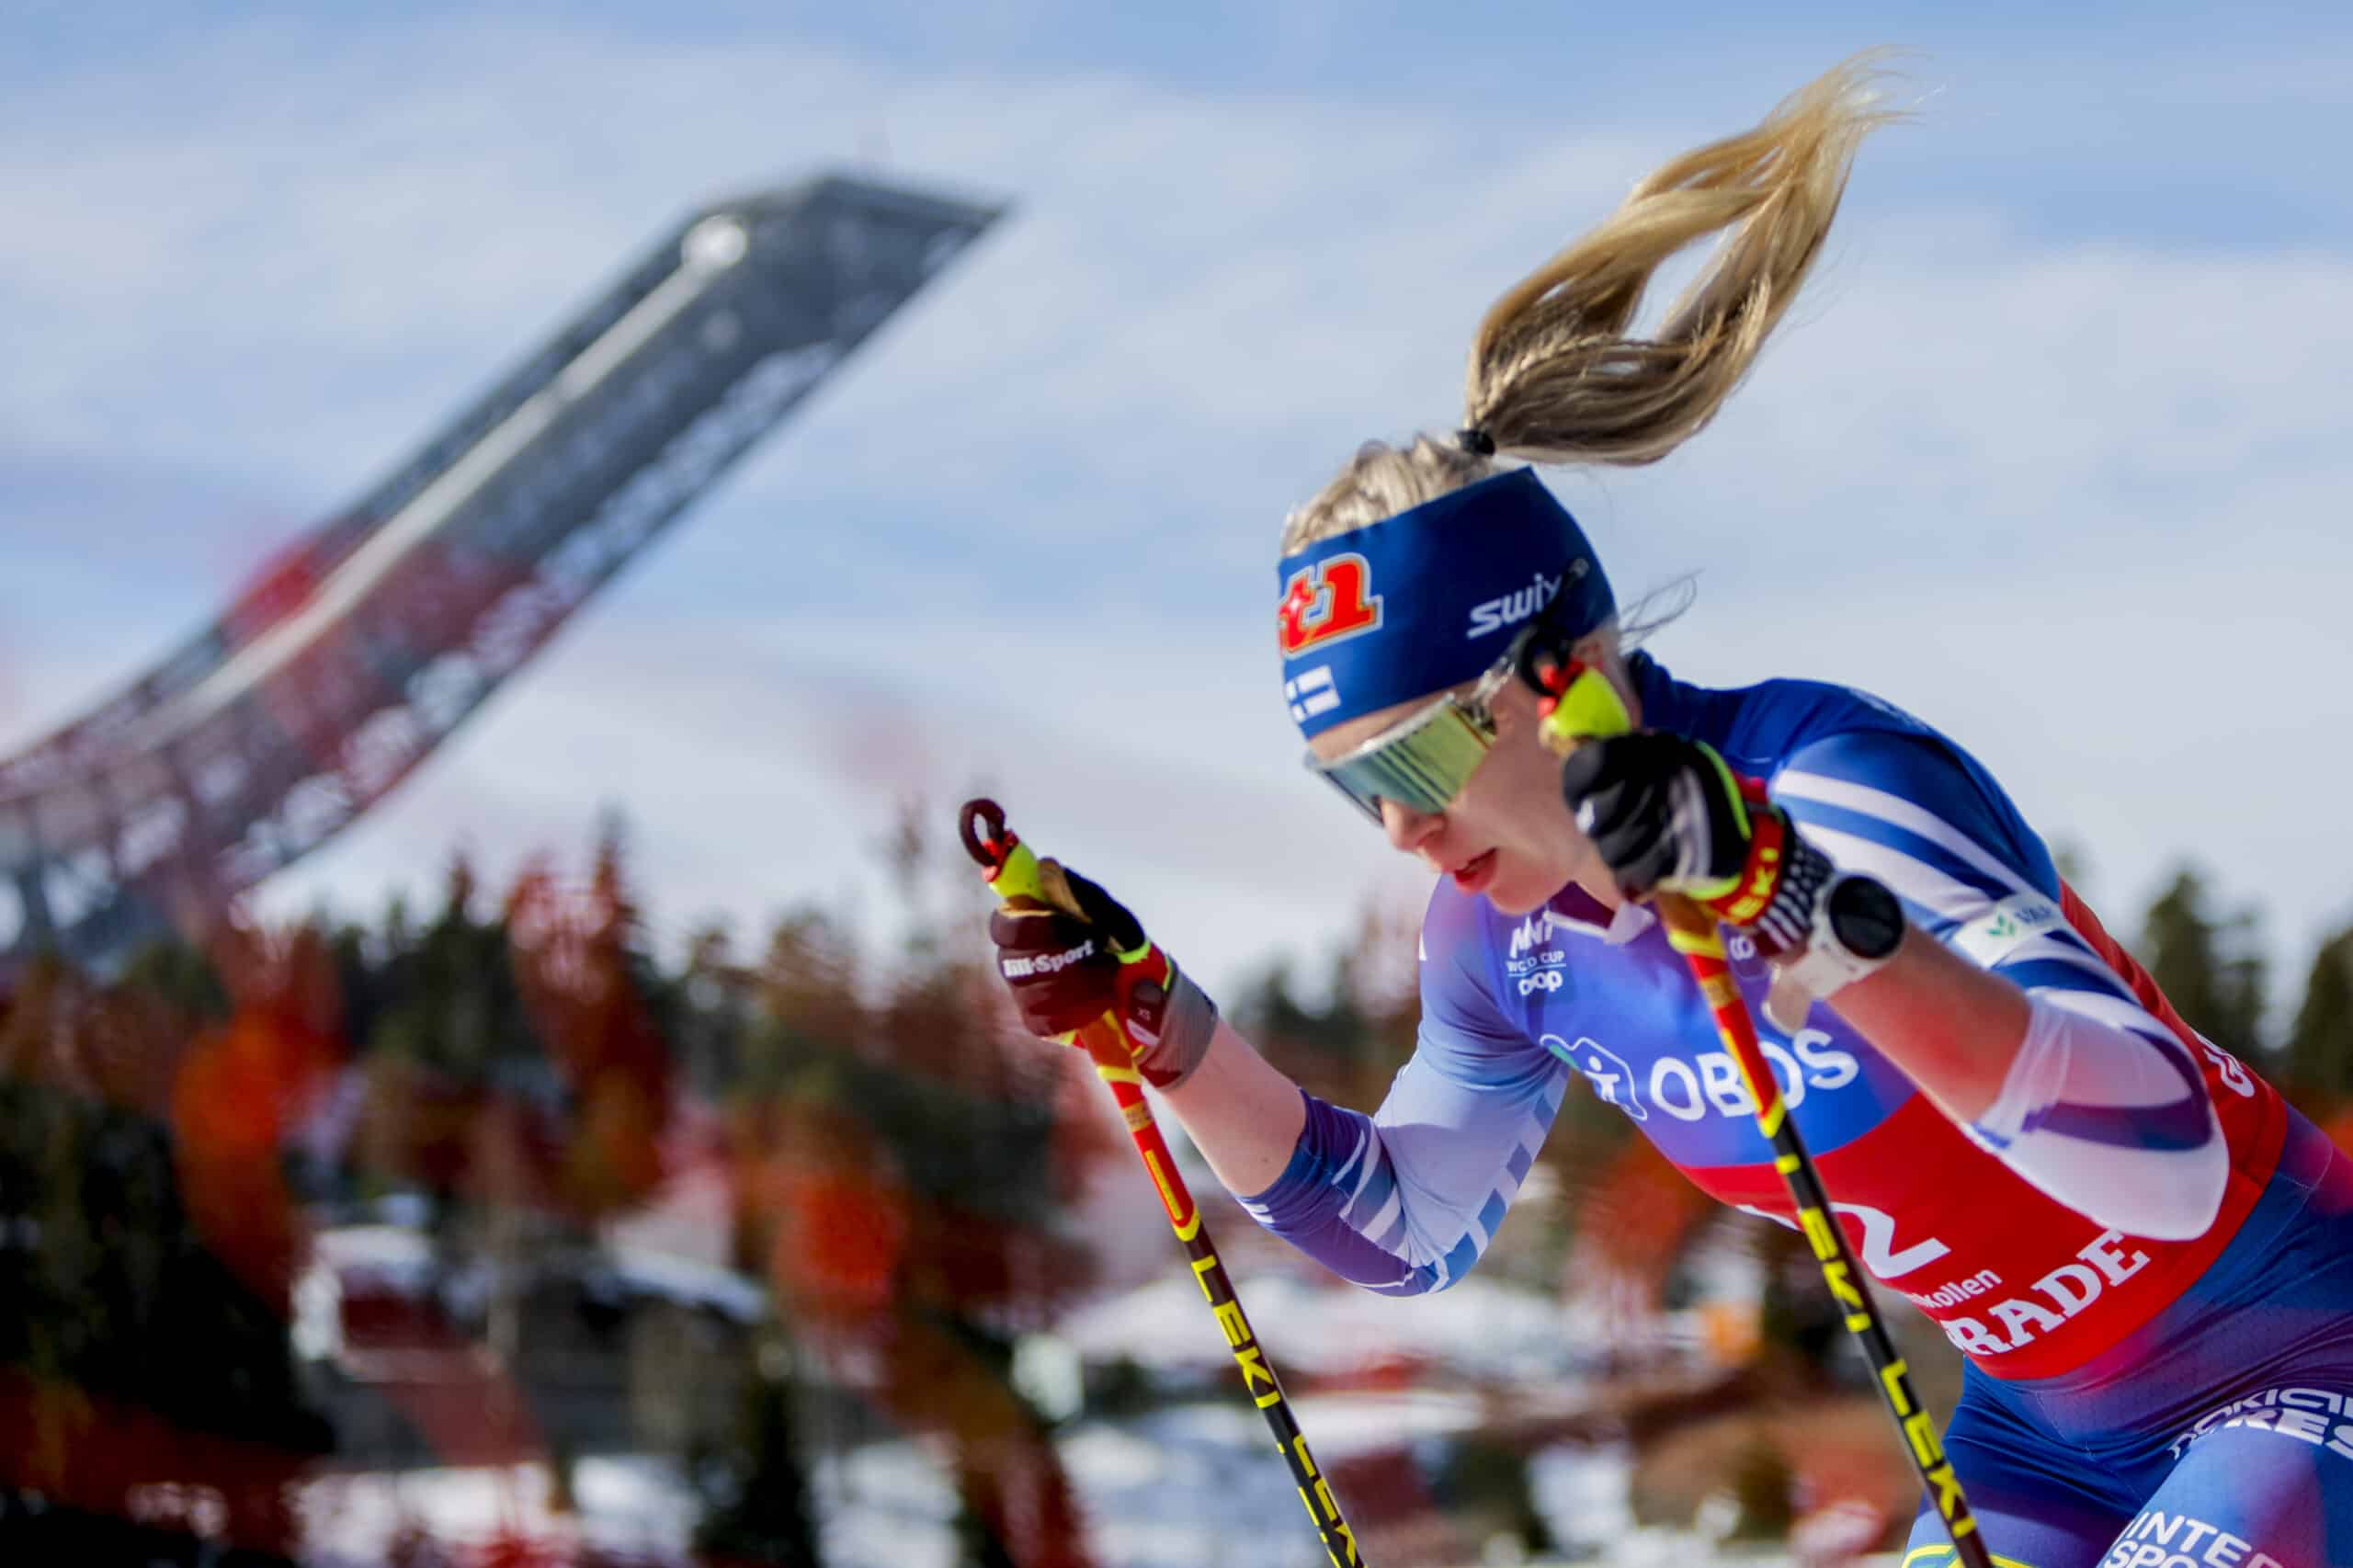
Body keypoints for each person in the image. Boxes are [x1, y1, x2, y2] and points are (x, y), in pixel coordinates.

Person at [988, 56, 2353, 1567]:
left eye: (1418, 763)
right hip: (2042, 1433)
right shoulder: (1501, 943)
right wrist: (1166, 1035)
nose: (1400, 832)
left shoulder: (1825, 780)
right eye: (1356, 787)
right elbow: (1408, 1228)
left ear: (1558, 673)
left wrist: (1785, 902)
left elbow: (2165, 1164)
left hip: (2298, 1356)